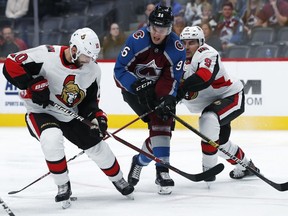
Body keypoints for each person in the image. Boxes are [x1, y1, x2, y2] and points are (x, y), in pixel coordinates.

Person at [2, 27, 134, 208]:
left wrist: (98, 118)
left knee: (97, 145)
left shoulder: (93, 70)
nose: (90, 60)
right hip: (40, 112)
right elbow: (10, 63)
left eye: (92, 57)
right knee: (51, 138)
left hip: (69, 113)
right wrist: (31, 84)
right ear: (74, 50)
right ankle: (63, 184)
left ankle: (118, 179)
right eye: (86, 56)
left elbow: (90, 102)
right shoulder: (46, 55)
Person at [113, 5, 185, 195]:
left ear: (169, 29)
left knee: (162, 124)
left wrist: (167, 98)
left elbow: (171, 79)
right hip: (133, 91)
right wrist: (135, 85)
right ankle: (149, 164)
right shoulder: (136, 40)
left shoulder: (176, 48)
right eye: (154, 27)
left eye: (161, 29)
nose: (156, 33)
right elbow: (119, 70)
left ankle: (158, 169)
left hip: (158, 90)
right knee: (160, 127)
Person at [177, 26, 260, 182]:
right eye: (184, 43)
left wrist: (179, 90)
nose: (187, 47)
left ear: (201, 43)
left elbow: (204, 77)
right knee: (219, 144)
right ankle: (247, 166)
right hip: (211, 103)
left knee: (208, 120)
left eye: (192, 43)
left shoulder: (207, 53)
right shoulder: (176, 59)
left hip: (231, 96)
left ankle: (208, 170)